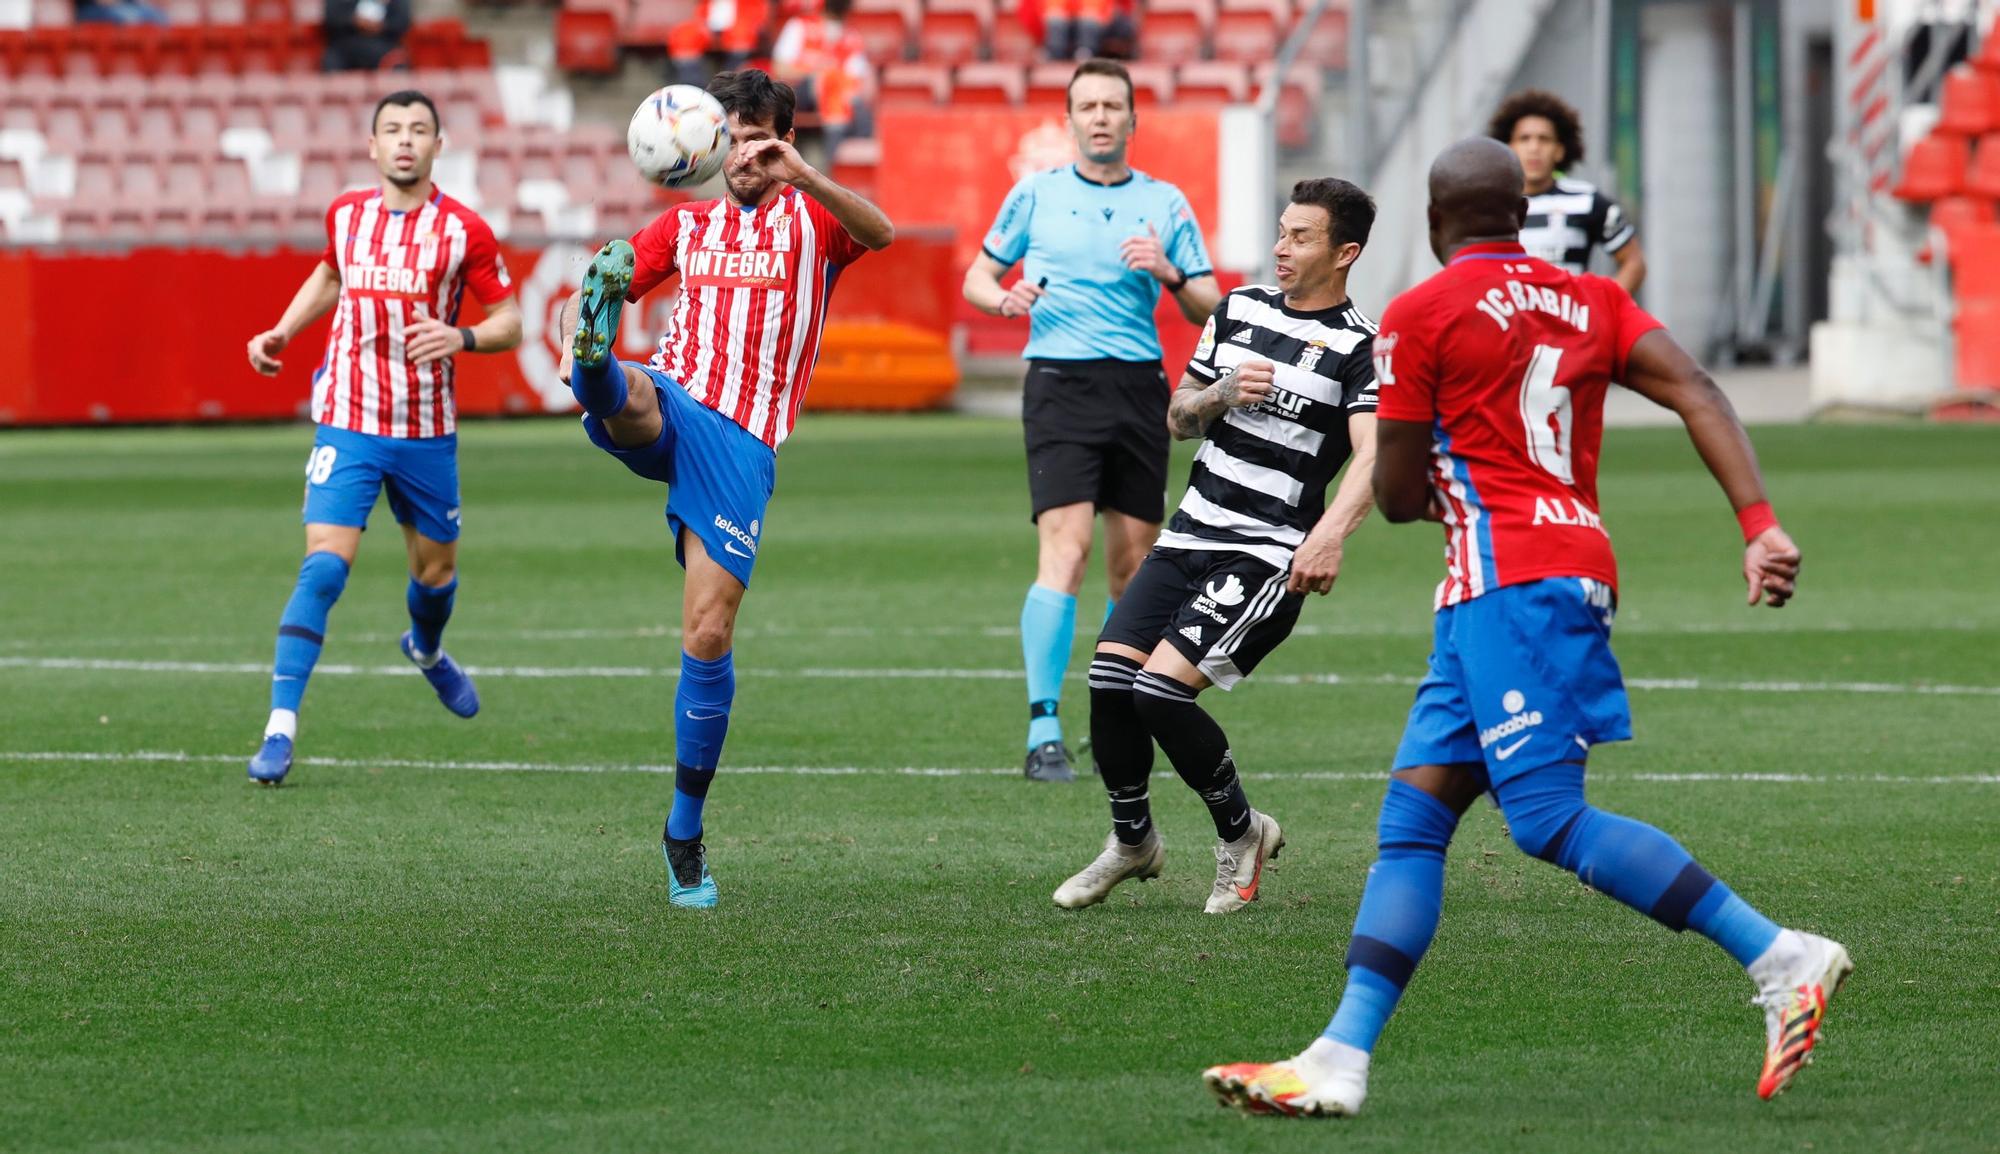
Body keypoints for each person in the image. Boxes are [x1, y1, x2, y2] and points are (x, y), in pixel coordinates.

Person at [1201, 138, 1848, 1118]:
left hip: (1515, 582)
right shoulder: (1591, 300)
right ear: (1521, 212)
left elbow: (1399, 487)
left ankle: (1780, 953)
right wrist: (1758, 524)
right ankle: (1338, 1056)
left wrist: (1444, 486)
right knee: (1412, 823)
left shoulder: (1420, 312)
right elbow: (1695, 390)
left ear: (1430, 223)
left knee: (1544, 817)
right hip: (1525, 576)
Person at [558, 69, 893, 910]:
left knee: (708, 633)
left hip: (742, 443)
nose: (745, 154)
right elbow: (608, 278)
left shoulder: (817, 222)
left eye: (760, 137)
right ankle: (595, 374)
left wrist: (806, 172)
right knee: (627, 389)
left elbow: (883, 233)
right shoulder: (688, 225)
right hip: (675, 399)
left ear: (783, 138)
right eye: (733, 138)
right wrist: (586, 313)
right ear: (712, 143)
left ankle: (683, 831)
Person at [1053, 178, 1381, 915]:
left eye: (1301, 237)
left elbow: (1373, 455)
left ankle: (1241, 833)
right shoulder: (1239, 310)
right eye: (1281, 231)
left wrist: (1328, 537)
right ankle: (1133, 842)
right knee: (1109, 683)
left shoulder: (1360, 348)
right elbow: (1179, 414)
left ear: (1345, 252)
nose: (1280, 247)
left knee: (1160, 692)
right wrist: (1221, 393)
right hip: (1191, 530)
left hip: (1265, 551)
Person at [242, 91, 523, 786]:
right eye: (392, 130)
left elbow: (511, 320)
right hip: (348, 417)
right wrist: (284, 328)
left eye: (418, 129)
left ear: (438, 145)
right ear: (372, 147)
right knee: (325, 568)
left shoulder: (465, 232)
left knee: (435, 575)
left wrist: (461, 335)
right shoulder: (347, 214)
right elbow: (332, 273)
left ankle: (426, 652)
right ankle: (280, 730)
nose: (405, 140)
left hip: (426, 430)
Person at [962, 58, 1221, 783]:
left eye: (1113, 105)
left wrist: (1169, 272)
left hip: (1139, 389)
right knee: (1066, 551)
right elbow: (977, 276)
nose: (1101, 116)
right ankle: (1044, 727)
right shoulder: (1035, 194)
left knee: (1132, 566)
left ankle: (1120, 711)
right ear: (1070, 120)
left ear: (1133, 121)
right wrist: (1004, 299)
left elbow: (1209, 302)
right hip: (1059, 385)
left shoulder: (1164, 203)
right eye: (1088, 106)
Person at [1488, 89, 1645, 295]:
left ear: (1560, 150)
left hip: (1568, 325)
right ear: (1509, 147)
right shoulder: (1491, 206)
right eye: (1525, 138)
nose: (1534, 148)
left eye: (1544, 139)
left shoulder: (1586, 201)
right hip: (1510, 324)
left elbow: (1634, 263)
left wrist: (1602, 309)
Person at [771, 0, 875, 159]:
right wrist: (816, 74)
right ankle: (835, 163)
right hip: (800, 91)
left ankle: (853, 166)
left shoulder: (851, 37)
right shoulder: (800, 26)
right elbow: (780, 68)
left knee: (852, 101)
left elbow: (857, 78)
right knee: (830, 82)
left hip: (838, 98)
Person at [668, 0, 768, 87]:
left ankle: (732, 84)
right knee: (685, 37)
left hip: (739, 23)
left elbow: (757, 14)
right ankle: (693, 85)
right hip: (707, 23)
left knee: (741, 34)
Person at [321, 0, 412, 72]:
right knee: (331, 62)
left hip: (383, 45)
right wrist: (353, 20)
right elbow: (331, 17)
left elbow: (402, 21)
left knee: (398, 66)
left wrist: (381, 26)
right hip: (344, 45)